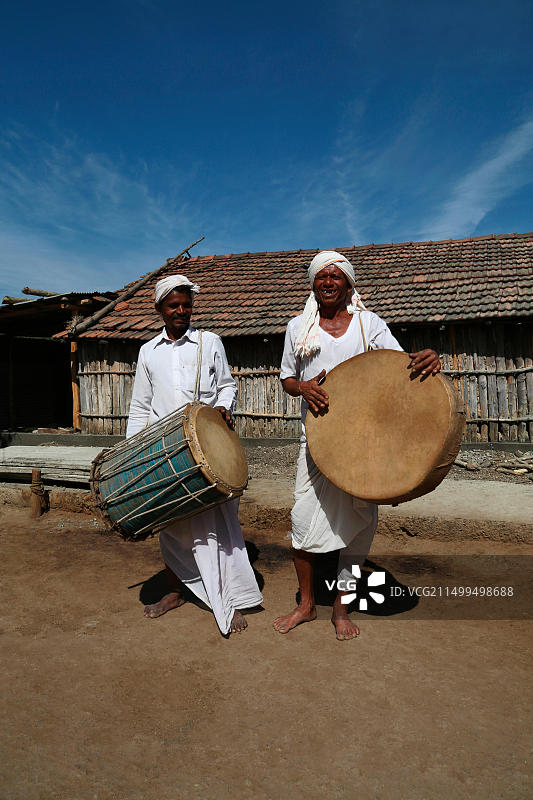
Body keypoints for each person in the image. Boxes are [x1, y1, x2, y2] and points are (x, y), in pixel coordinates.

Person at [273, 251, 441, 641]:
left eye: (336, 276)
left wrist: (429, 357)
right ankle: (306, 604)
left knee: (359, 525)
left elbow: (399, 365)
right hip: (317, 439)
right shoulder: (298, 327)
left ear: (349, 284)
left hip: (365, 442)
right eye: (321, 276)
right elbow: (287, 379)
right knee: (302, 521)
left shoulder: (369, 324)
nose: (328, 282)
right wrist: (303, 387)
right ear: (313, 284)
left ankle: (341, 608)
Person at [126, 274, 263, 635]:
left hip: (208, 449)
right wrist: (132, 453)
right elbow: (140, 405)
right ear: (160, 309)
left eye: (187, 305)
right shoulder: (148, 352)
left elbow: (227, 386)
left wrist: (224, 406)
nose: (181, 311)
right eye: (174, 305)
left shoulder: (209, 342)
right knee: (171, 527)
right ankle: (176, 591)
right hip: (165, 450)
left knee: (218, 527)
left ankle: (228, 597)